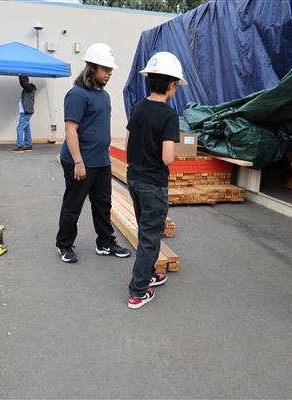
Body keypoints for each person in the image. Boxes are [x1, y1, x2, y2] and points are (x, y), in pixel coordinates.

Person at [55, 43, 131, 263]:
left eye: (110, 70)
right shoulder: (77, 94)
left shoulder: (104, 96)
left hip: (101, 161)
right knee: (73, 205)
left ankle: (105, 243)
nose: (109, 74)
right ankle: (64, 244)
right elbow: (70, 129)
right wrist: (78, 161)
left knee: (103, 205)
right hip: (79, 162)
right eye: (105, 69)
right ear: (92, 67)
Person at [124, 52, 187, 309]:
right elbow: (167, 158)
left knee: (146, 230)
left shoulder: (138, 107)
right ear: (172, 86)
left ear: (150, 80)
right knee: (151, 236)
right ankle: (138, 291)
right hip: (154, 184)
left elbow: (128, 145)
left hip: (134, 179)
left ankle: (149, 274)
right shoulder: (169, 116)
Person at [12, 76, 36, 152]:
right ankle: (28, 145)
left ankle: (20, 146)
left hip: (26, 112)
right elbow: (23, 84)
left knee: (19, 128)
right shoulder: (28, 89)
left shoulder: (29, 88)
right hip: (25, 112)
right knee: (26, 128)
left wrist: (20, 75)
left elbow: (23, 83)